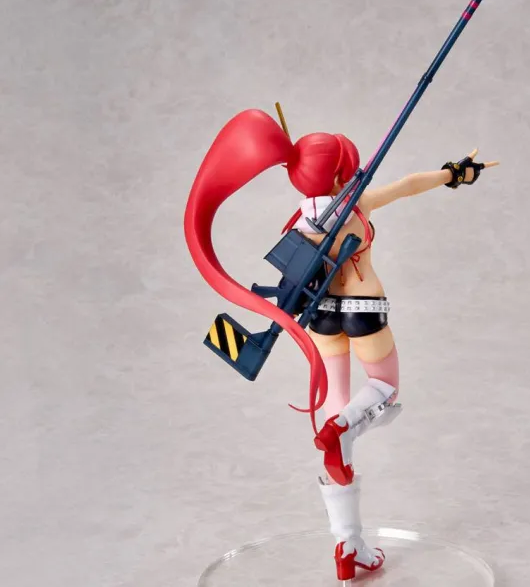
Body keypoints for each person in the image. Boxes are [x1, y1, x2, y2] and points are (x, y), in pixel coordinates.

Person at [184, 107, 497, 581]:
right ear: (336, 175)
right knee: (384, 389)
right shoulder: (356, 205)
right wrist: (454, 173)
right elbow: (409, 185)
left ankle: (349, 545)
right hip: (362, 306)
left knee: (336, 402)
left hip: (321, 316)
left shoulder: (298, 226)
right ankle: (344, 428)